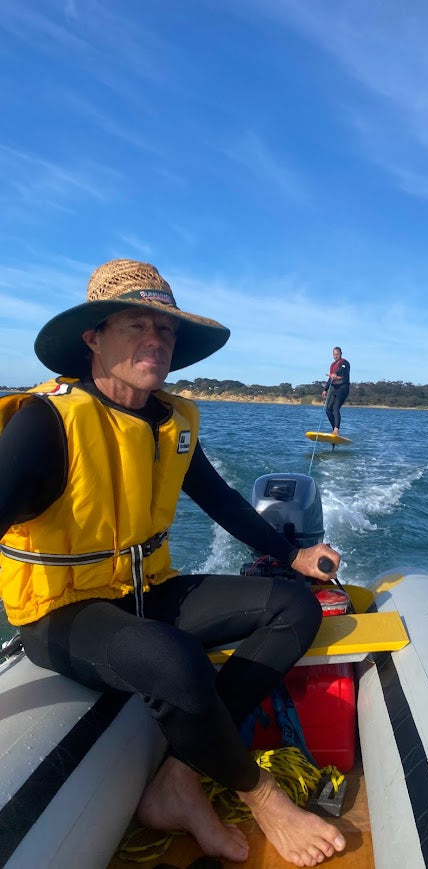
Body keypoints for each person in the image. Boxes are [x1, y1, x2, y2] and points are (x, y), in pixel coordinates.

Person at [0, 259, 347, 867]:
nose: (155, 340)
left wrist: (295, 555)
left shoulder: (171, 419)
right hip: (60, 614)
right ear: (93, 338)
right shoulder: (45, 423)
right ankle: (261, 798)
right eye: (137, 325)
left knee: (293, 607)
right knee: (172, 656)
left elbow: (220, 499)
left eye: (165, 331)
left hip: (144, 593)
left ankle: (180, 780)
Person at [321, 347, 350, 436]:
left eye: (337, 354)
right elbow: (331, 378)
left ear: (341, 353)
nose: (335, 356)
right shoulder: (332, 365)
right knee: (328, 410)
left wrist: (336, 373)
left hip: (343, 388)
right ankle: (334, 429)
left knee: (335, 408)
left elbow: (342, 369)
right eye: (334, 354)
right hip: (334, 388)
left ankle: (336, 430)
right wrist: (325, 389)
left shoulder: (344, 363)